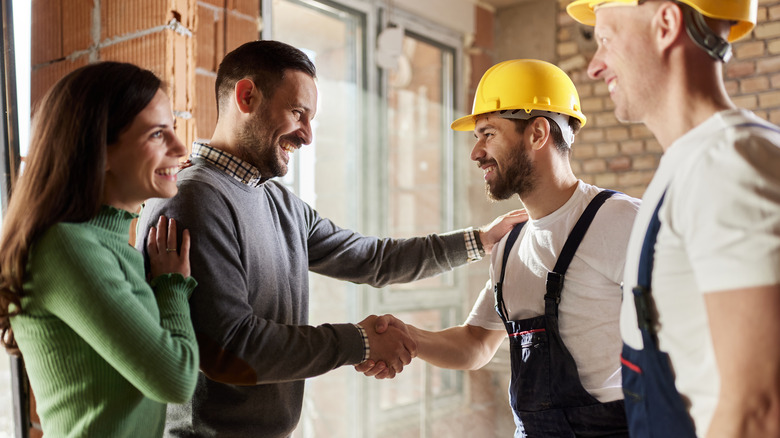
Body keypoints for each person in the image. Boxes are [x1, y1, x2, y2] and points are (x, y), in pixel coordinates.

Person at [134, 39, 523, 438]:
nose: (306, 136)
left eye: (310, 119)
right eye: (297, 113)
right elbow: (234, 347)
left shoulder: (280, 202)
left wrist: (480, 240)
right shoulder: (192, 198)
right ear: (246, 96)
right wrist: (358, 341)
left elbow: (373, 259)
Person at [359, 59, 641, 437]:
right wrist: (407, 335)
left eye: (488, 134)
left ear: (538, 133)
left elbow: (689, 345)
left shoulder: (621, 222)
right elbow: (476, 343)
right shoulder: (510, 241)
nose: (476, 152)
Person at [567, 1, 780, 437]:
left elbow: (758, 411)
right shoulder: (694, 163)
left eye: (605, 38)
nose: (593, 66)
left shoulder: (726, 166)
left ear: (665, 24)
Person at [0, 62, 198, 436]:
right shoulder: (65, 248)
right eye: (158, 134)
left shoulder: (108, 245)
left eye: (172, 128)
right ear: (100, 151)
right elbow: (174, 379)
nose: (180, 146)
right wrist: (172, 285)